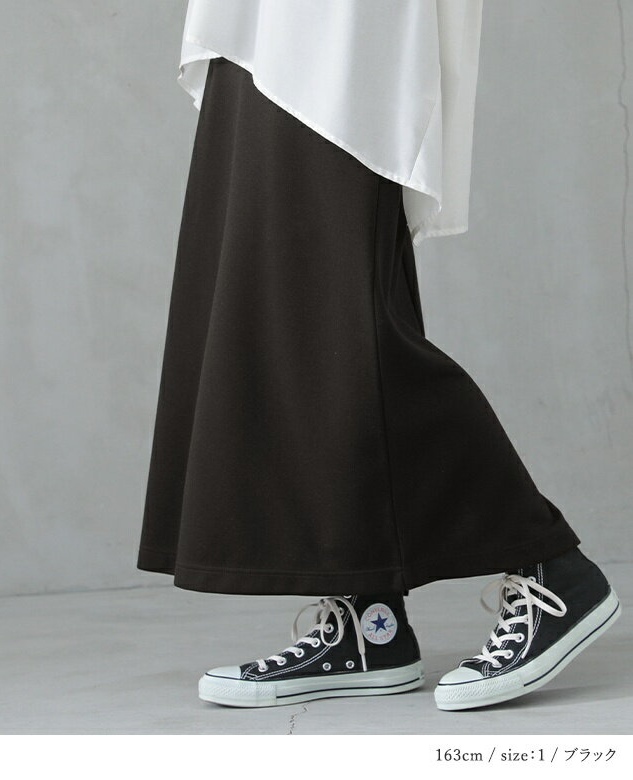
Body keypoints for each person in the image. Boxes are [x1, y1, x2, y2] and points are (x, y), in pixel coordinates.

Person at [137, 0, 620, 711]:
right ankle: (370, 623)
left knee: (334, 322)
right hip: (258, 26)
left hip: (337, 26)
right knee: (278, 310)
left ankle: (551, 565)